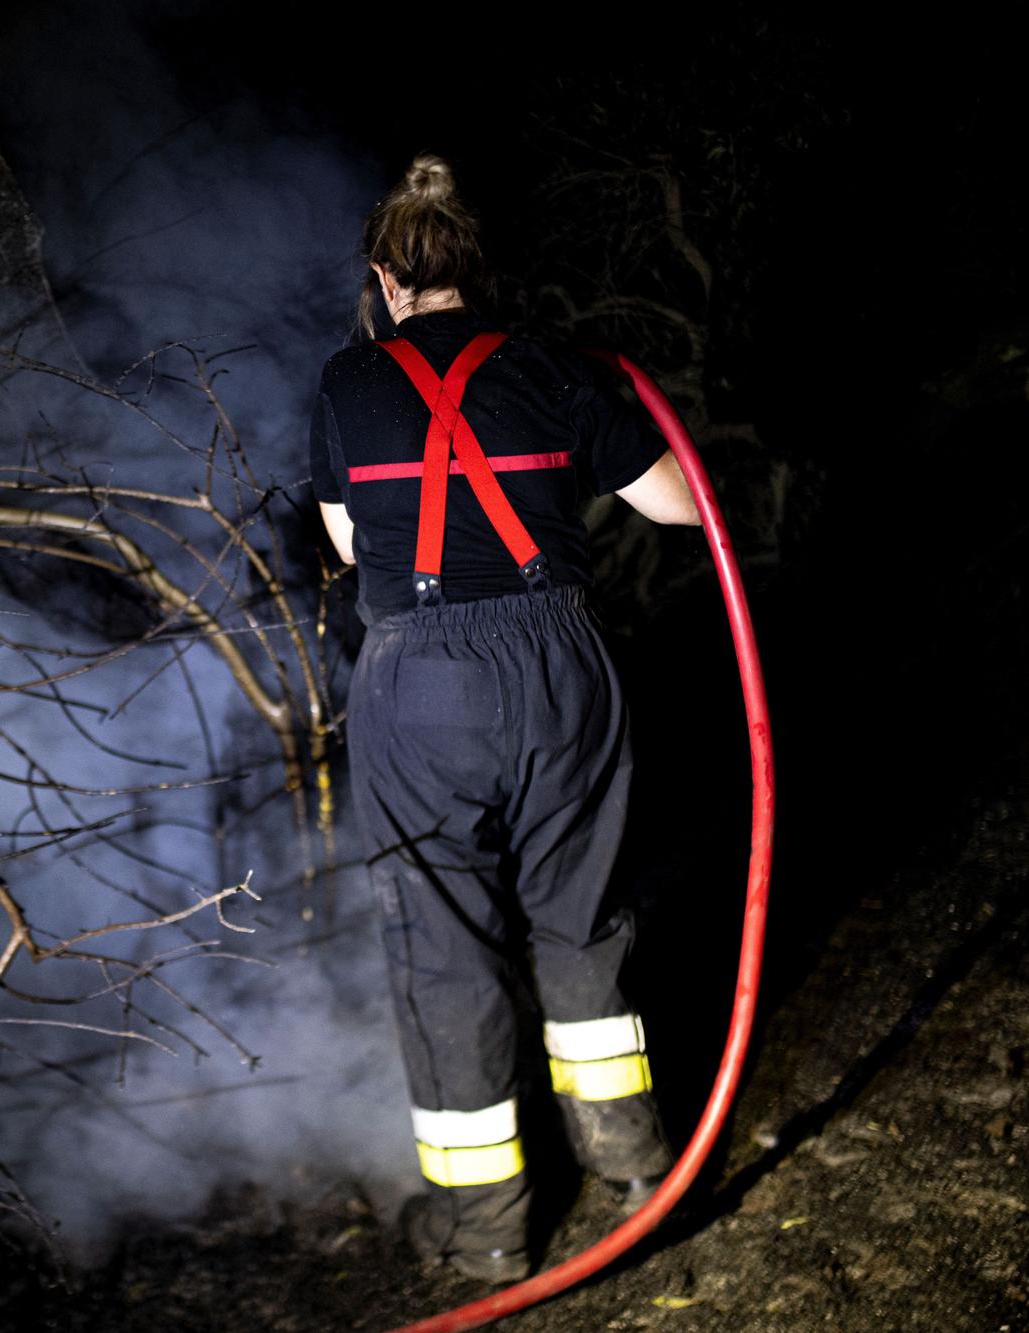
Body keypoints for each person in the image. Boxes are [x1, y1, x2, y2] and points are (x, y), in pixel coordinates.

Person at [310, 155, 702, 1282]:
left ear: (387, 279)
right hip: (558, 664)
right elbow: (678, 505)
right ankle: (633, 1169)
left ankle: (488, 1231)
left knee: (440, 948)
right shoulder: (549, 368)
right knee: (579, 917)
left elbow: (348, 547)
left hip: (417, 680)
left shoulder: (347, 382)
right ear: (476, 276)